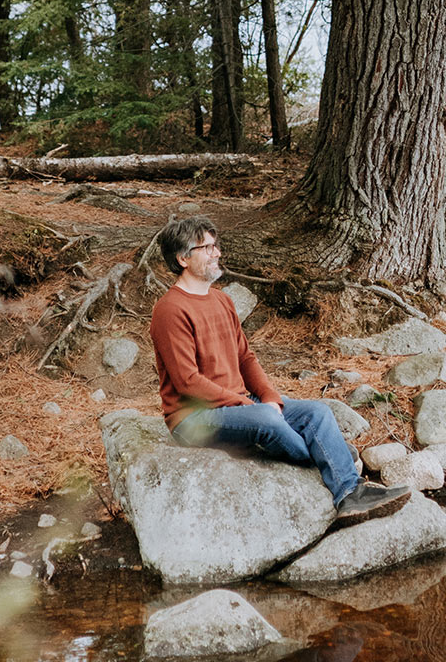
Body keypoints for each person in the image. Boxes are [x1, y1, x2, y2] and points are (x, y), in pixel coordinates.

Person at [149, 214, 409, 527]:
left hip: (238, 405)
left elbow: (245, 358)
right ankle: (329, 454)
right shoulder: (170, 310)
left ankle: (350, 495)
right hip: (193, 419)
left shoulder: (222, 300)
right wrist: (250, 406)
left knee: (318, 413)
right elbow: (188, 382)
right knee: (267, 419)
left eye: (215, 245)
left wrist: (270, 397)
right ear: (183, 258)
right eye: (207, 248)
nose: (217, 252)